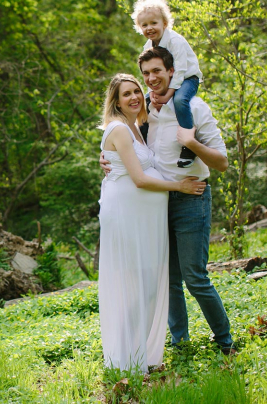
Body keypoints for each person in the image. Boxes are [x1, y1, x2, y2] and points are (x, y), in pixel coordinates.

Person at [103, 47, 235, 355]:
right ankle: (180, 342)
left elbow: (223, 163)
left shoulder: (194, 108)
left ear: (171, 72)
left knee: (194, 276)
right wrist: (107, 157)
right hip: (156, 203)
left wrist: (191, 142)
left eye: (157, 71)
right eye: (146, 73)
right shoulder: (143, 111)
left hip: (192, 199)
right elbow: (127, 148)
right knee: (169, 278)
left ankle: (225, 342)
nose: (151, 79)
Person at [98, 73, 206, 372]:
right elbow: (140, 179)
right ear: (115, 101)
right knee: (135, 285)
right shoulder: (120, 129)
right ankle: (126, 359)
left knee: (146, 285)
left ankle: (140, 355)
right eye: (126, 94)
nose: (134, 97)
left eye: (136, 91)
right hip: (128, 216)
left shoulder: (135, 126)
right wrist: (180, 187)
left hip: (143, 217)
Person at [132, 0, 203, 168]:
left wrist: (168, 95)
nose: (149, 28)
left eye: (153, 23)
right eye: (144, 25)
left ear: (164, 23)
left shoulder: (175, 41)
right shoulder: (148, 45)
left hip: (187, 78)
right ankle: (141, 144)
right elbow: (149, 69)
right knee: (144, 102)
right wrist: (154, 92)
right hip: (167, 80)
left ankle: (188, 144)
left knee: (179, 101)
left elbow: (179, 72)